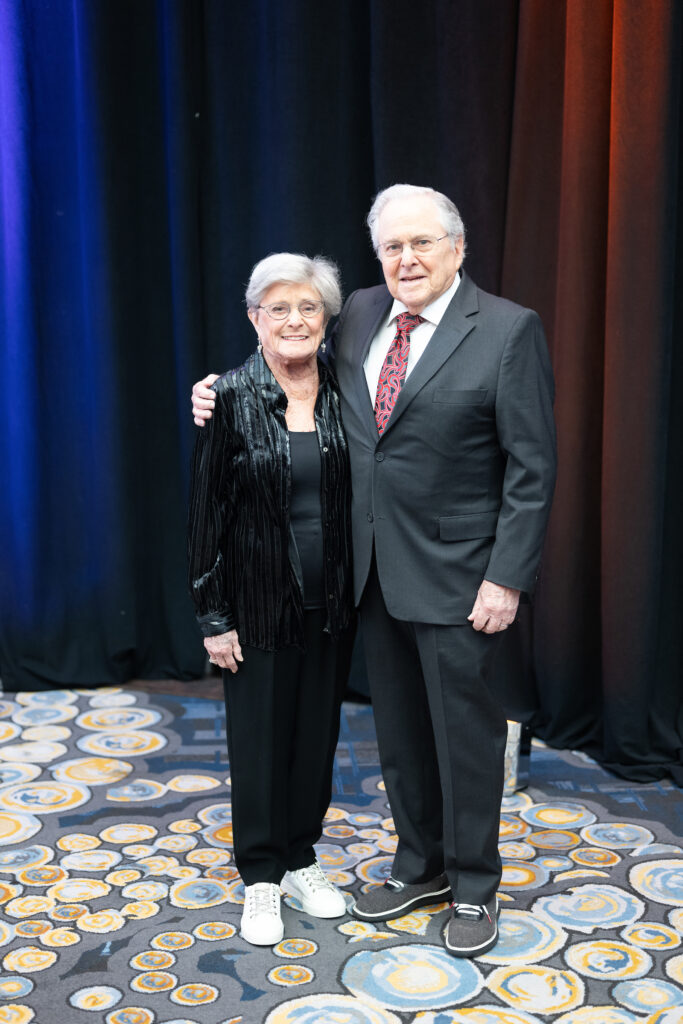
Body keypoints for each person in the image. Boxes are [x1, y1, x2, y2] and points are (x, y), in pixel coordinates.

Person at [192, 185, 557, 958]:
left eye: (422, 243)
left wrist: (507, 576)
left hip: (461, 578)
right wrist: (218, 391)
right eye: (392, 246)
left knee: (463, 738)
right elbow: (285, 361)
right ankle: (419, 866)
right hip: (368, 576)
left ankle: (474, 886)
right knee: (397, 737)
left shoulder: (505, 330)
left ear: (457, 248)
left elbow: (531, 467)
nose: (406, 259)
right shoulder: (355, 311)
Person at [187, 252, 354, 946]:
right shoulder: (228, 396)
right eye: (277, 308)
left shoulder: (350, 388)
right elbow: (207, 515)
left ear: (327, 318)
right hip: (255, 604)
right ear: (255, 319)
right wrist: (212, 615)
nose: (294, 320)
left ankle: (300, 857)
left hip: (332, 602)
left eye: (307, 307)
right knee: (259, 743)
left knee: (315, 739)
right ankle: (260, 875)